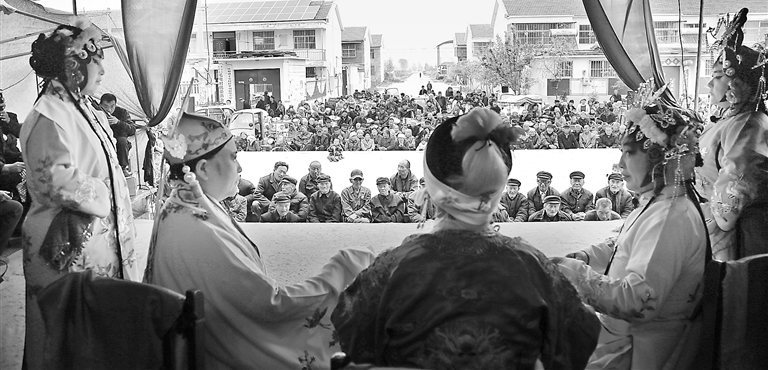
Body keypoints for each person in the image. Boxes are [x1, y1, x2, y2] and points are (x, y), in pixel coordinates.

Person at [332, 108, 600, 368]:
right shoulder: (533, 267)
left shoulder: (391, 269)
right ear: (497, 191)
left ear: (431, 190)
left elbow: (353, 341)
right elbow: (577, 341)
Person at [145, 112, 373, 368]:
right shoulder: (197, 230)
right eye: (233, 157)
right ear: (204, 169)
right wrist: (342, 271)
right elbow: (268, 306)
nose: (240, 168)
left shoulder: (186, 205)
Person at [553, 90, 707, 370]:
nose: (620, 164)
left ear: (659, 157)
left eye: (629, 153)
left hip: (638, 355)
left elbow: (637, 302)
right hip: (621, 342)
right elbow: (624, 245)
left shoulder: (670, 216)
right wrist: (585, 257)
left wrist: (572, 273)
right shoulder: (659, 203)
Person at [20, 20, 140, 369]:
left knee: (98, 337)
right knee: (68, 344)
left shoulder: (82, 107)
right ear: (74, 65)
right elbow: (55, 181)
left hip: (93, 244)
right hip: (66, 250)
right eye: (96, 60)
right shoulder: (48, 115)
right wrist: (106, 192)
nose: (102, 69)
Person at [696, 8, 768, 260]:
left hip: (732, 233)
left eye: (717, 76)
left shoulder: (749, 124)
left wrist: (697, 216)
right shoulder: (730, 120)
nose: (709, 84)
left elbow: (736, 186)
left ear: (736, 83)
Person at [98, 93, 137, 175]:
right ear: (100, 105)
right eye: (105, 106)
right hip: (101, 138)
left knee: (122, 141)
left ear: (115, 105)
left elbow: (133, 130)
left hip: (119, 141)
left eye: (112, 106)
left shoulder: (122, 112)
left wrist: (118, 122)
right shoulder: (95, 111)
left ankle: (123, 168)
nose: (109, 110)